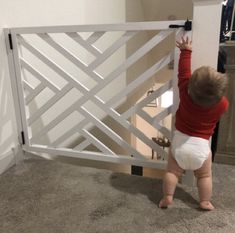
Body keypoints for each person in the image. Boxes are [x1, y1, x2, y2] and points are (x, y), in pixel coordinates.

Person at [159, 36, 229, 211]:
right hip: (201, 149)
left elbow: (183, 72)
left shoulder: (185, 92)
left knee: (171, 173)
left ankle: (168, 196)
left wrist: (186, 50)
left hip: (179, 145)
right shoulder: (222, 105)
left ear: (190, 87)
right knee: (205, 176)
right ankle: (204, 201)